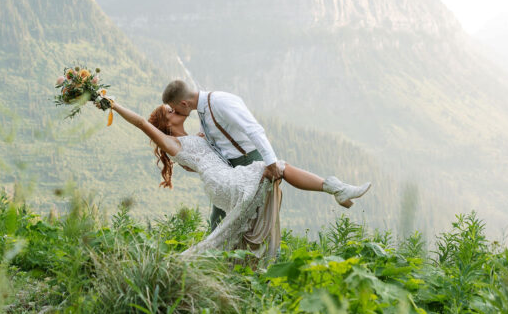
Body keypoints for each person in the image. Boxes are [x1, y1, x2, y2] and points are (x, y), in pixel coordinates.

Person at [106, 92, 372, 259]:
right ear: (166, 125)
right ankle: (335, 188)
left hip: (225, 179)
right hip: (222, 183)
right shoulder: (171, 143)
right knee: (276, 167)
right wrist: (114, 105)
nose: (176, 111)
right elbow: (142, 122)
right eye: (171, 112)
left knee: (276, 172)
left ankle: (336, 190)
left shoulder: (196, 137)